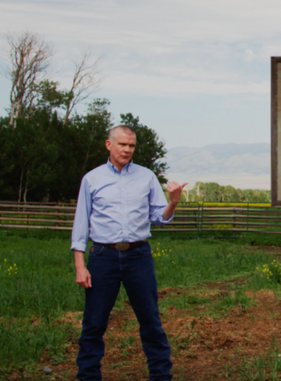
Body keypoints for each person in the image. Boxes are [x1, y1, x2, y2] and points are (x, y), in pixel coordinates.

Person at [71, 125, 187, 381]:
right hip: (102, 257)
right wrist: (80, 265)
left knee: (150, 321)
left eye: (131, 146)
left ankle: (160, 376)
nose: (127, 150)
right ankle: (88, 376)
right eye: (122, 144)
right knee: (93, 323)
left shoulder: (146, 177)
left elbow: (159, 217)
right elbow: (81, 224)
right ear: (108, 145)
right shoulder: (92, 179)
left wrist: (173, 203)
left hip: (138, 257)